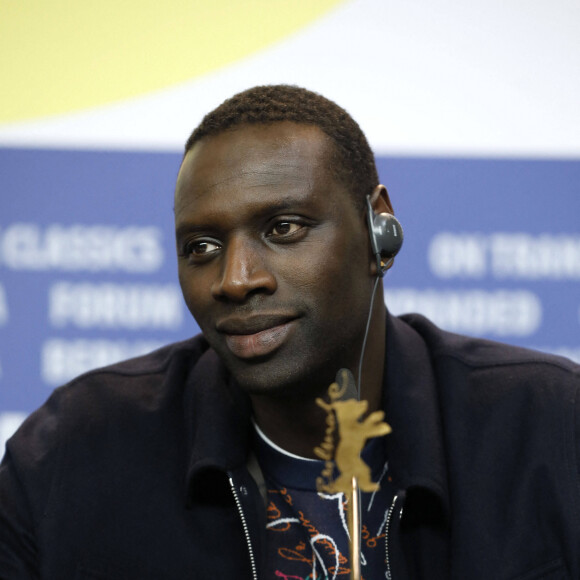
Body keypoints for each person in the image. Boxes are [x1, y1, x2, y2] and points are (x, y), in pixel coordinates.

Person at [0, 85, 579, 579]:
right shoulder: (75, 453)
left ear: (380, 230)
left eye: (283, 227)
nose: (235, 280)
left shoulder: (550, 429)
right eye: (201, 247)